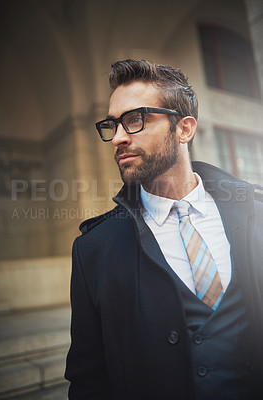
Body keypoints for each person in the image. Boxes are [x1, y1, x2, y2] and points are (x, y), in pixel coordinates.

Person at [65, 59, 263, 400]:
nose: (118, 138)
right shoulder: (93, 250)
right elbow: (89, 380)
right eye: (113, 125)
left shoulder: (255, 216)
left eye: (135, 120)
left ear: (184, 129)